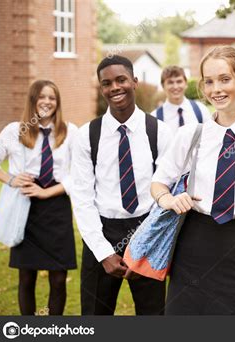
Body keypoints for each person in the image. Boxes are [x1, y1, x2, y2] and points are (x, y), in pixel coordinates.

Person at [151, 46, 235, 315]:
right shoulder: (190, 136)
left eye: (225, 79)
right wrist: (168, 199)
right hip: (190, 252)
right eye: (209, 81)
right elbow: (158, 182)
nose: (216, 89)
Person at [70, 55, 171, 315]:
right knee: (95, 317)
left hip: (147, 229)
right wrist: (104, 253)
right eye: (106, 83)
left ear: (134, 82)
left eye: (121, 80)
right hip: (101, 232)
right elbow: (82, 199)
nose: (114, 87)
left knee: (153, 315)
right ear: (101, 88)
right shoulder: (86, 136)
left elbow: (169, 189)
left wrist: (148, 242)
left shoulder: (159, 131)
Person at [0, 80, 77, 315]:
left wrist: (47, 191)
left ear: (57, 102)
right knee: (26, 277)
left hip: (56, 206)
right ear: (32, 100)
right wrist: (10, 179)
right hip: (25, 207)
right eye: (42, 97)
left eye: (52, 97)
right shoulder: (14, 130)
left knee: (59, 279)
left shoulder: (70, 132)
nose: (47, 102)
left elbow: (80, 173)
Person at [151, 65, 211, 133]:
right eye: (170, 82)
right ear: (163, 86)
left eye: (179, 81)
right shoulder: (154, 118)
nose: (175, 86)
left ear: (186, 83)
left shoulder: (201, 110)